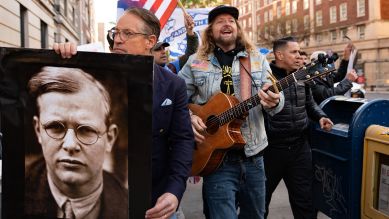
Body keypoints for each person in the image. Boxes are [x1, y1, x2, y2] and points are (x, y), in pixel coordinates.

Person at [54, 7, 194, 219]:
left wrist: (174, 191)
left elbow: (183, 140)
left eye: (127, 33)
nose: (117, 40)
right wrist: (60, 59)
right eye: (115, 32)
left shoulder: (173, 85)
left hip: (154, 202)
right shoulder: (93, 73)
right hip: (101, 202)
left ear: (150, 41)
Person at [178, 5, 284, 218]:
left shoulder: (256, 59)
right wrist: (189, 117)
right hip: (216, 160)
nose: (226, 23)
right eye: (219, 21)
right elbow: (175, 98)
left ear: (237, 27)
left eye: (231, 20)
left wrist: (274, 101)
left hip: (253, 156)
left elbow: (276, 96)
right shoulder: (195, 62)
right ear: (210, 31)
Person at [25, 66, 128, 219]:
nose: (70, 145)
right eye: (55, 127)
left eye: (86, 130)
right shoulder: (14, 191)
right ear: (38, 130)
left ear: (110, 138)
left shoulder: (129, 206)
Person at [263, 36, 334, 219]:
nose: (299, 55)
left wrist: (321, 116)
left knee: (305, 202)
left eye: (299, 51)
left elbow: (309, 103)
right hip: (270, 150)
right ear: (279, 54)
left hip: (300, 148)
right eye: (293, 52)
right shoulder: (263, 76)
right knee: (260, 202)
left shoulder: (302, 75)